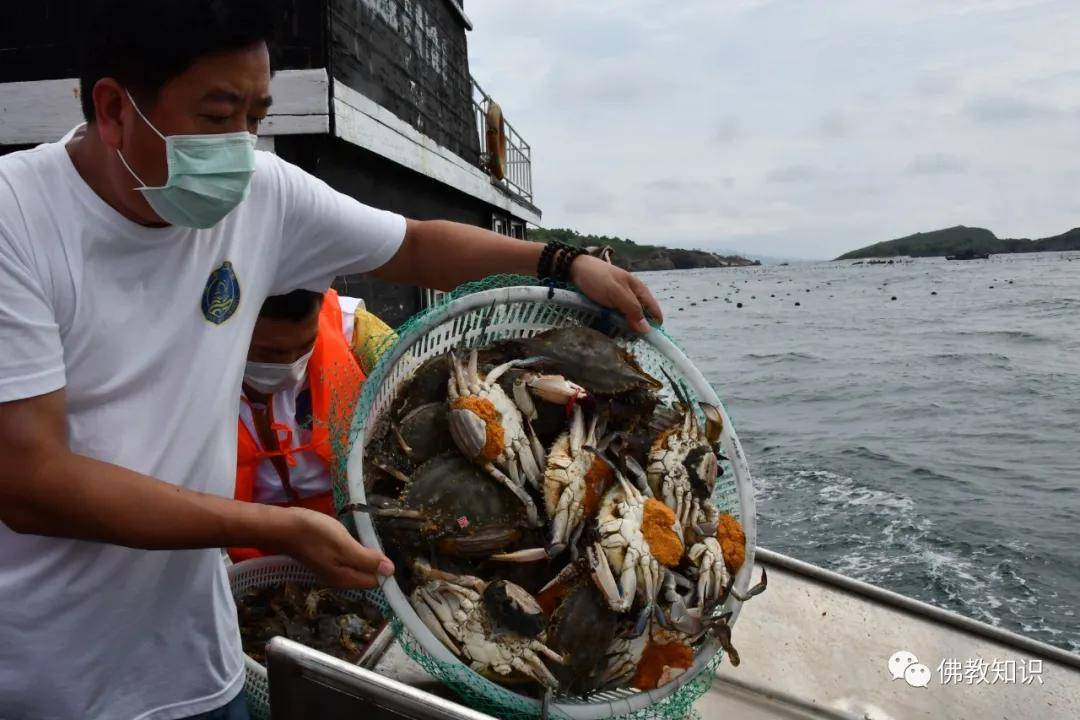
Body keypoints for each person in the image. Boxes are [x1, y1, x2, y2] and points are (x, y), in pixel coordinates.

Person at [0, 2, 662, 719]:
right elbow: (30, 481)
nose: (241, 145)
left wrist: (563, 262)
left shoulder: (261, 194)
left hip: (197, 667)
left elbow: (415, 244)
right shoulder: (19, 221)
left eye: (256, 116)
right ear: (112, 107)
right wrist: (268, 526)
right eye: (218, 115)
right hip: (47, 677)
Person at [228, 288, 377, 561]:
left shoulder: (358, 329)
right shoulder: (195, 363)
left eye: (305, 346)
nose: (290, 363)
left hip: (355, 519)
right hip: (247, 533)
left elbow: (412, 377)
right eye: (270, 353)